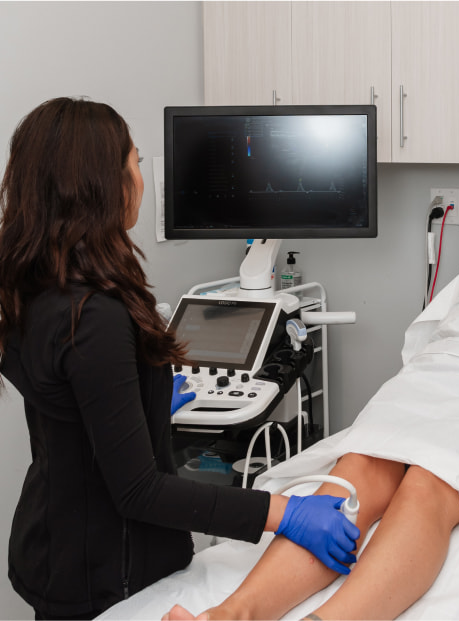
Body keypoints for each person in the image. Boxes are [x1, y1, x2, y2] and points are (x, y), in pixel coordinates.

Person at [164, 146, 459, 621]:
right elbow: (456, 327)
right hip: (443, 374)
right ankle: (230, 615)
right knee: (358, 466)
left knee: (431, 480)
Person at [0, 97, 360, 620]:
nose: (142, 178)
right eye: (135, 162)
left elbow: (67, 407)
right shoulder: (94, 316)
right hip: (110, 572)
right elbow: (139, 492)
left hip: (54, 546)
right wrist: (283, 513)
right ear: (103, 184)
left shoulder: (31, 287)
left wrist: (139, 409)